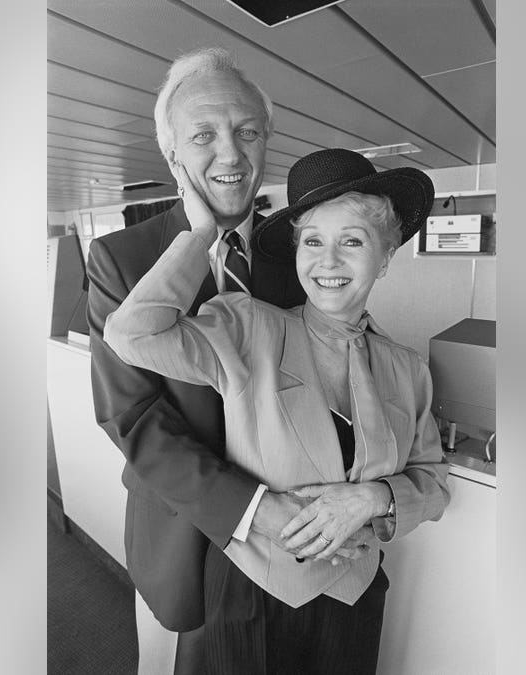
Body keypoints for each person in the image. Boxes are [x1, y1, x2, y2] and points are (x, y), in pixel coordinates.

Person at [103, 147, 451, 673]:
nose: (327, 262)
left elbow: (435, 484)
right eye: (312, 241)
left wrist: (373, 498)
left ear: (385, 257)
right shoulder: (248, 328)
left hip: (355, 596)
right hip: (251, 595)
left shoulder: (408, 368)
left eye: (351, 241)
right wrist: (201, 235)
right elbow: (131, 334)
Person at [87, 48, 368, 674]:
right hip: (188, 532)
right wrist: (251, 509)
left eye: (247, 131)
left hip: (298, 536)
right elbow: (132, 419)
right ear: (173, 155)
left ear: (267, 139)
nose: (232, 154)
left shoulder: (298, 256)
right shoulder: (119, 259)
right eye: (204, 135)